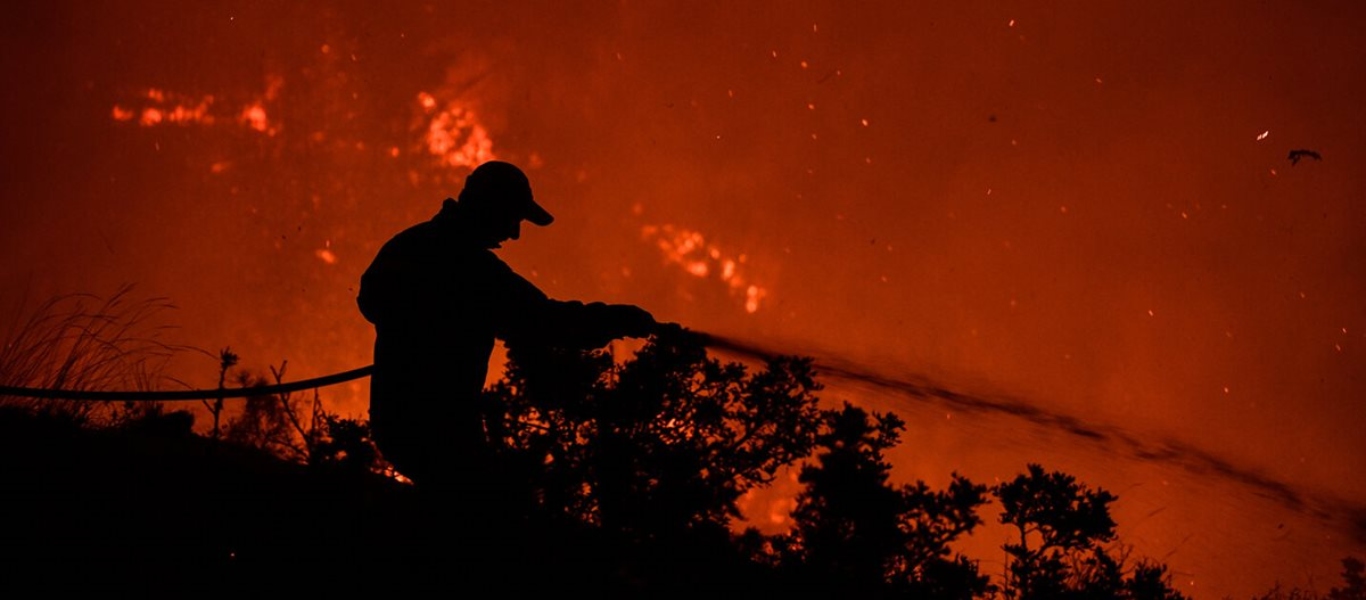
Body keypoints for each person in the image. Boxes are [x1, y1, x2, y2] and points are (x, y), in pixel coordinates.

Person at [357, 160, 657, 511]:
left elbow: (370, 301)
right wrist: (619, 319)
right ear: (491, 209)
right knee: (494, 513)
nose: (514, 234)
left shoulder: (410, 245)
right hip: (440, 426)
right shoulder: (473, 270)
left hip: (398, 419)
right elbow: (544, 320)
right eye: (513, 218)